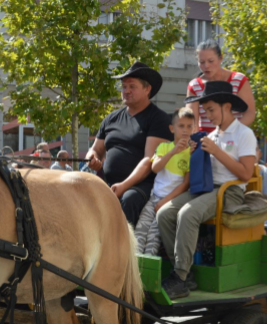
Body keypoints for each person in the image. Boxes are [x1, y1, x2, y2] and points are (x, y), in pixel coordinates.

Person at [157, 81, 256, 299]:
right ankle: (184, 273)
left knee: (188, 213)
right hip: (207, 188)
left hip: (229, 192)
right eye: (206, 110)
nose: (207, 115)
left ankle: (179, 277)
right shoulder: (211, 136)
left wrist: (216, 152)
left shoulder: (244, 134)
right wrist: (195, 153)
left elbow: (246, 174)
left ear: (227, 106)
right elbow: (204, 170)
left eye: (211, 109)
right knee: (164, 213)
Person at [86, 62, 172, 226]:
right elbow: (96, 149)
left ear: (147, 89)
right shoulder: (111, 118)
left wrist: (124, 186)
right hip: (108, 183)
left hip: (142, 185)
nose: (126, 91)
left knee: (129, 199)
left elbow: (149, 160)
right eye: (124, 86)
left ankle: (122, 249)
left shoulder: (158, 119)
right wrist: (92, 157)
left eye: (132, 86)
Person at [135, 107, 194, 255]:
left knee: (154, 237)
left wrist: (165, 201)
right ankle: (134, 268)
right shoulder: (164, 147)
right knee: (139, 233)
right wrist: (173, 152)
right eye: (181, 126)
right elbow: (155, 168)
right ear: (171, 128)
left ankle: (148, 273)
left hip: (168, 203)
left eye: (189, 126)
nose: (185, 130)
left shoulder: (192, 153)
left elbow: (185, 184)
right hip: (154, 198)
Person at [186, 40, 256, 132]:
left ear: (220, 58)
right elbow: (192, 121)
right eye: (202, 62)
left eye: (211, 61)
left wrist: (230, 131)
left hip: (235, 136)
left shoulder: (238, 80)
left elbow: (250, 112)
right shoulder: (194, 85)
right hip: (206, 140)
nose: (206, 66)